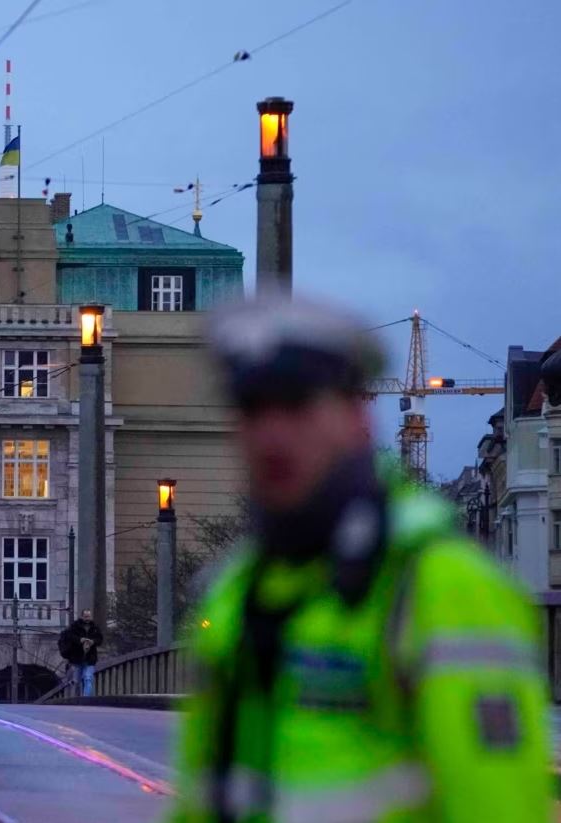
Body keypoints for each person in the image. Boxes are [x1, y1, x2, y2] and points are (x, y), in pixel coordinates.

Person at [170, 298, 551, 822]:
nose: (272, 435)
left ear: (357, 416)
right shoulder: (236, 590)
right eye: (253, 409)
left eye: (299, 404)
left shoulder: (445, 587)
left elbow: (498, 806)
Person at [58, 609, 103, 697]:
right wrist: (80, 640)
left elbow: (100, 639)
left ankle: (86, 699)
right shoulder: (74, 627)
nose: (87, 618)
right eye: (85, 616)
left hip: (90, 659)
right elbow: (69, 637)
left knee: (88, 678)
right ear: (82, 616)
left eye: (89, 616)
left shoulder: (95, 628)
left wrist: (93, 641)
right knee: (76, 681)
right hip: (76, 659)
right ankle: (76, 699)